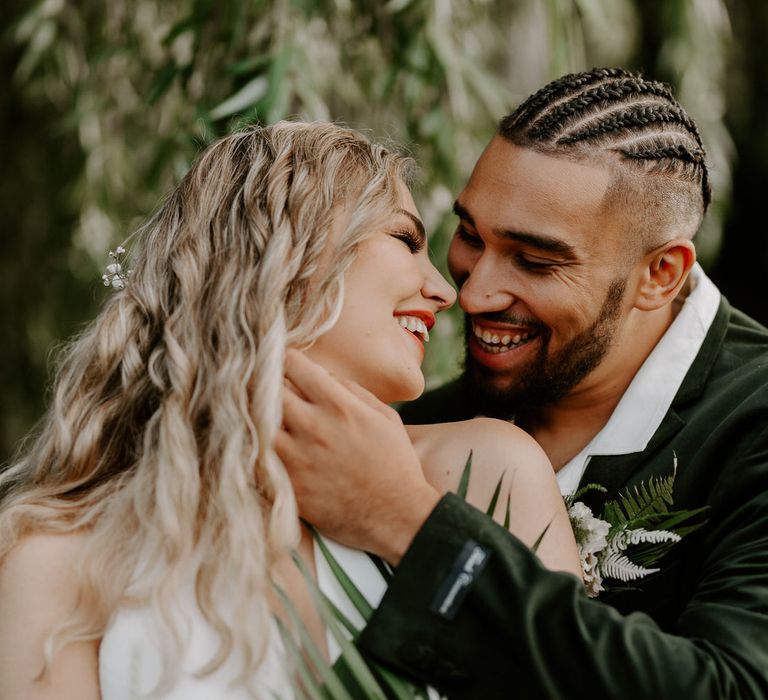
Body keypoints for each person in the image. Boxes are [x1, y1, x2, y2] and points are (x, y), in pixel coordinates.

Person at [0, 121, 582, 698]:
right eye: (405, 240)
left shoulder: (483, 475)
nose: (446, 291)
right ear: (281, 246)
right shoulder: (61, 563)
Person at [278, 68, 768, 698]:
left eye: (535, 261)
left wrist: (406, 522)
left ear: (661, 274)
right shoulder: (408, 419)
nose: (472, 292)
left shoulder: (752, 423)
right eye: (470, 236)